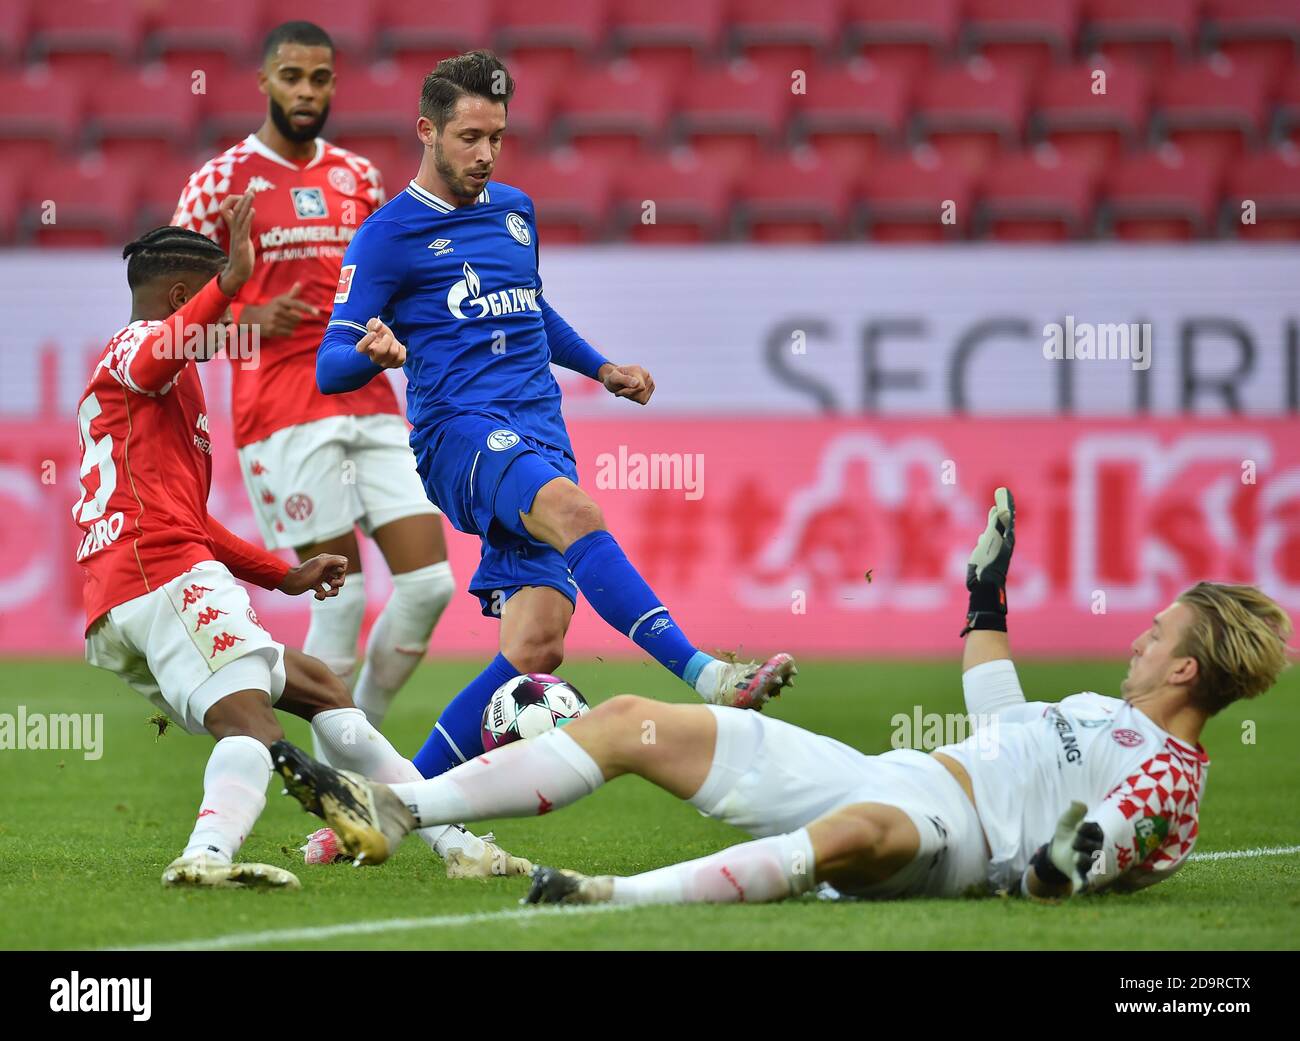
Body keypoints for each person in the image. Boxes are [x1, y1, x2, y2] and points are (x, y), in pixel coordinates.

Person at [267, 488, 1292, 904]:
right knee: (624, 719)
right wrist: (986, 587)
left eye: (1155, 634)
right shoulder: (1095, 716)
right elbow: (995, 711)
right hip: (892, 774)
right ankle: (398, 807)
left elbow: (1091, 849)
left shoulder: (1167, 776)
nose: (1137, 635)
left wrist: (1055, 870)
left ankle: (609, 897)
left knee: (854, 835)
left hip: (944, 836)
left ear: (1184, 672)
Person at [315, 50, 795, 781]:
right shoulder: (389, 235)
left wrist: (602, 367)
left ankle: (395, 802)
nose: (485, 153)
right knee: (576, 512)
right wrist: (373, 354)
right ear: (427, 131)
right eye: (469, 136)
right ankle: (708, 676)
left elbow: (529, 306)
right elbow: (330, 362)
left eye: (497, 137)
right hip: (459, 433)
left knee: (536, 648)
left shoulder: (515, 211)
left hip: (539, 427)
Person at [74, 199, 527, 888]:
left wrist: (281, 576)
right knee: (252, 726)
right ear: (178, 298)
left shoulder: (172, 388)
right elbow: (163, 348)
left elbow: (188, 517)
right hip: (160, 577)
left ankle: (455, 843)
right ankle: (208, 855)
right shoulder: (136, 347)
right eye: (218, 304)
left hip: (136, 586)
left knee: (319, 685)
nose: (230, 322)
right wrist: (228, 283)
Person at [172, 21, 453, 740]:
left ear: (333, 83)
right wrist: (247, 318)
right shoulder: (217, 183)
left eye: (319, 78)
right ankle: (343, 774)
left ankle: (365, 731)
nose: (306, 90)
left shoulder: (358, 177)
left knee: (429, 585)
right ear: (264, 82)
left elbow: (392, 284)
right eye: (291, 76)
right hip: (282, 412)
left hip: (369, 397)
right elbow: (168, 324)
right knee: (341, 597)